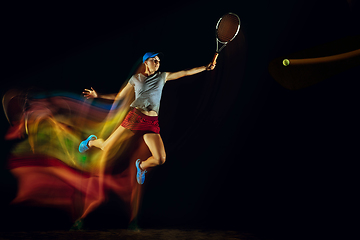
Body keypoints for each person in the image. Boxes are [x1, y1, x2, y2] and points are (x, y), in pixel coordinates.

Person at [79, 52, 216, 184]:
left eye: (159, 61)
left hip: (151, 122)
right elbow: (119, 97)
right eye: (154, 60)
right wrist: (98, 96)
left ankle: (142, 166)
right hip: (135, 118)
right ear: (146, 62)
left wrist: (205, 67)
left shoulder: (163, 76)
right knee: (106, 147)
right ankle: (91, 142)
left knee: (160, 158)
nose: (157, 63)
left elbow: (185, 72)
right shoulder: (136, 79)